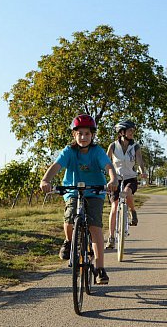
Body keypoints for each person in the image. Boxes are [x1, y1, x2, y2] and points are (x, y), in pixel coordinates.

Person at [40, 114, 118, 284]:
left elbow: (108, 166)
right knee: (69, 217)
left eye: (87, 134)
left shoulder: (97, 151)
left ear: (93, 135)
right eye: (80, 134)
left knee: (95, 227)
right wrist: (46, 179)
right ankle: (69, 242)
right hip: (72, 191)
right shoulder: (69, 151)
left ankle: (100, 268)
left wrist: (113, 179)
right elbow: (56, 166)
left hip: (95, 191)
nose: (83, 137)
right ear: (74, 135)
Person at [105, 120, 147, 250]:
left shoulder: (135, 146)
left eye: (133, 131)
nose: (132, 133)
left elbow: (139, 161)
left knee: (127, 192)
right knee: (114, 206)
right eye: (130, 131)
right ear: (122, 132)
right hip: (115, 179)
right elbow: (106, 161)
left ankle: (132, 211)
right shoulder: (113, 146)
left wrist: (142, 172)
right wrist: (104, 173)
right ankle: (111, 237)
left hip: (130, 178)